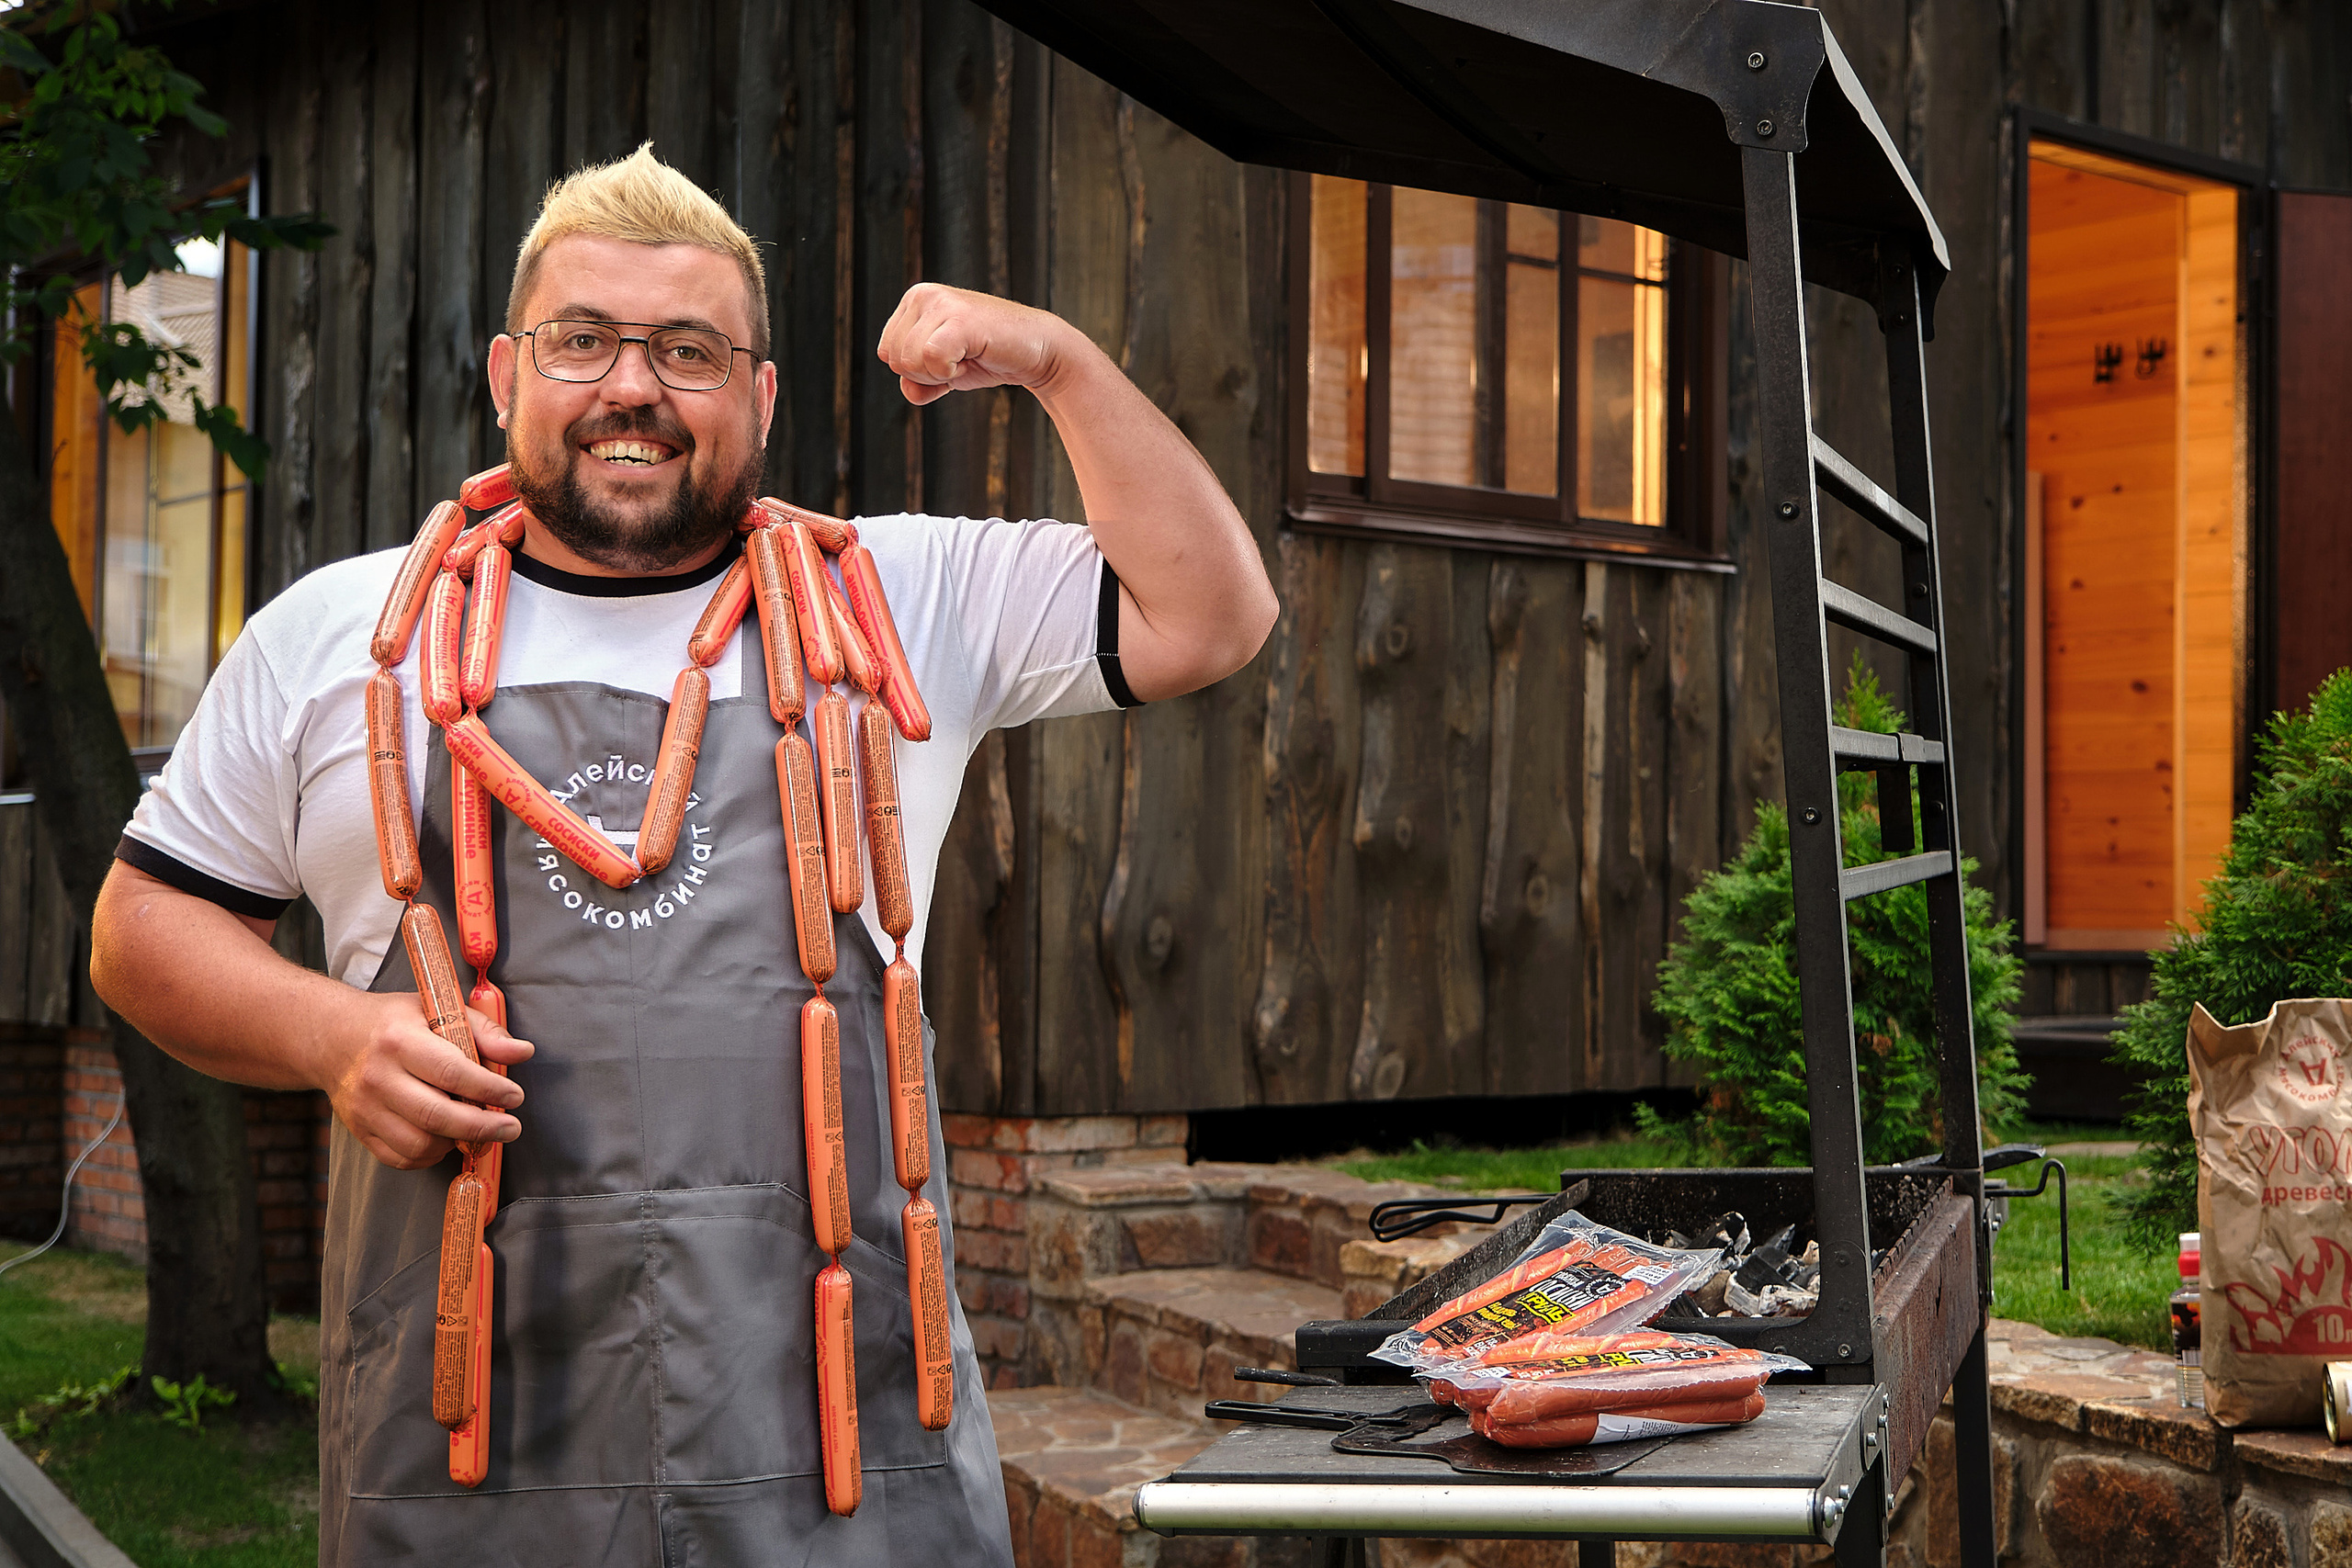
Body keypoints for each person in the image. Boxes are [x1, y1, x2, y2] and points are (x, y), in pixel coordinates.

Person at [88, 144, 1277, 1566]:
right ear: (507, 375)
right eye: (582, 341)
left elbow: (1212, 615)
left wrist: (1056, 363)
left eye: (690, 352)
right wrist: (333, 1037)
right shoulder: (346, 635)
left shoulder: (898, 599)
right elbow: (142, 929)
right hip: (467, 1448)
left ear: (759, 397)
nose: (633, 386)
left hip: (840, 1466)